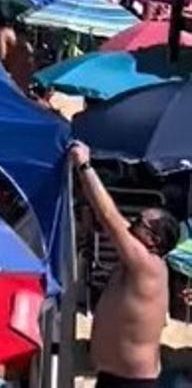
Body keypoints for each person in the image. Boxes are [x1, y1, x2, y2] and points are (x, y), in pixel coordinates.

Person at [71, 142, 179, 387]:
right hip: (112, 377)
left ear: (154, 241)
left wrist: (84, 165)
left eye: (140, 222)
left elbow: (109, 217)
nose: (131, 222)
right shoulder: (136, 262)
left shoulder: (147, 265)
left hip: (132, 382)